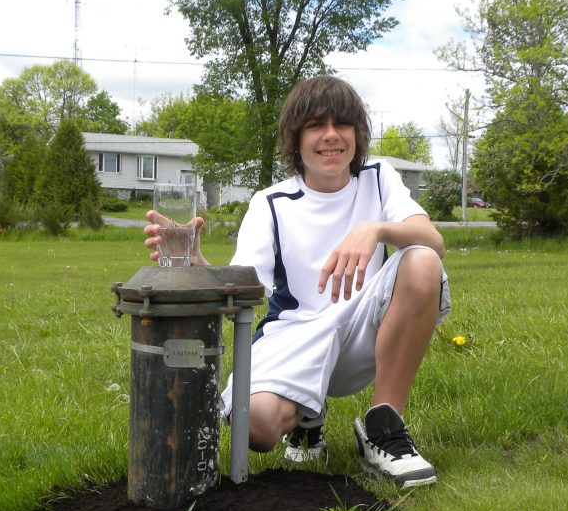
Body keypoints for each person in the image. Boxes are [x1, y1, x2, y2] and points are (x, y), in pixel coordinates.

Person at [143, 76, 450, 488]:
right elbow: (245, 284)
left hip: (364, 331)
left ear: (357, 134)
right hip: (297, 335)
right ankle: (309, 415)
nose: (330, 136)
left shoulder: (379, 177)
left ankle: (383, 429)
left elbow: (435, 240)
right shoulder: (270, 202)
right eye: (315, 126)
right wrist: (197, 262)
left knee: (422, 261)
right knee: (256, 427)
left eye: (342, 125)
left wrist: (376, 229)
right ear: (295, 137)